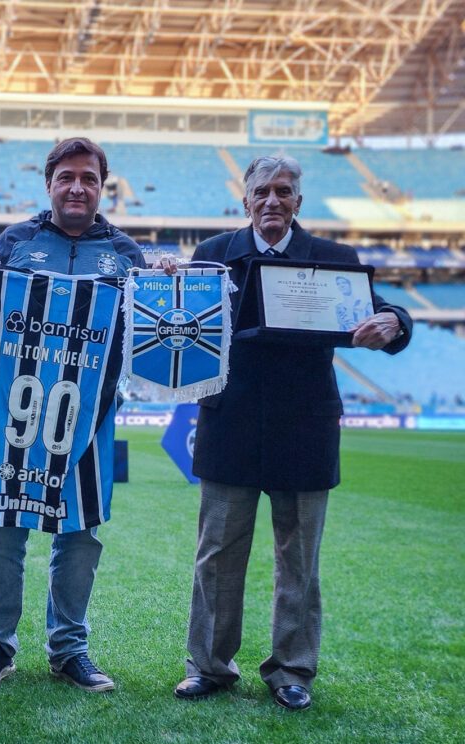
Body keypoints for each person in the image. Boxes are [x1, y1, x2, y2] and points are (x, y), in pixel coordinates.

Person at [173, 154, 412, 711]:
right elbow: (182, 325)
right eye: (263, 191)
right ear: (246, 200)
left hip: (305, 429)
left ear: (298, 201)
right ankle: (208, 665)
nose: (273, 201)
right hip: (229, 424)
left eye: (284, 191)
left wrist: (396, 320)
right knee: (216, 555)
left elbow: (380, 313)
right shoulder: (211, 257)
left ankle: (292, 669)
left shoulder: (334, 259)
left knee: (299, 559)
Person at [0, 137, 145, 692]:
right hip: (17, 414)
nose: (77, 187)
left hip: (89, 419)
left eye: (88, 178)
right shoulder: (17, 241)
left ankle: (69, 648)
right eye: (67, 176)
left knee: (81, 535)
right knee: (3, 529)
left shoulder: (125, 252)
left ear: (101, 187)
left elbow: (146, 337)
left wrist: (164, 278)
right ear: (50, 184)